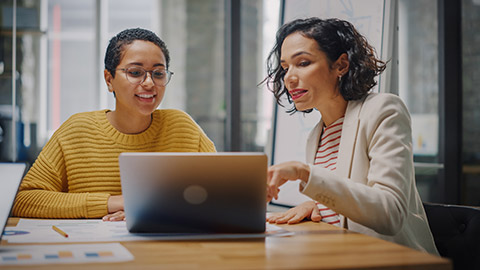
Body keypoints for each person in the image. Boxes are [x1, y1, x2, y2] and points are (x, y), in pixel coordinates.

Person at [264, 17, 438, 255]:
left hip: (392, 259)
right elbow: (347, 200)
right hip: (343, 255)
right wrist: (317, 204)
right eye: (285, 67)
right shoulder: (317, 135)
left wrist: (305, 173)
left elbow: (389, 213)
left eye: (303, 63)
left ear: (341, 65)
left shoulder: (384, 110)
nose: (289, 77)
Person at [13, 28, 216, 221]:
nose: (149, 83)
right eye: (136, 72)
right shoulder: (76, 131)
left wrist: (156, 207)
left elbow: (220, 194)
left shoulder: (183, 128)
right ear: (109, 79)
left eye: (158, 73)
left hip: (167, 247)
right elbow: (23, 200)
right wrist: (114, 203)